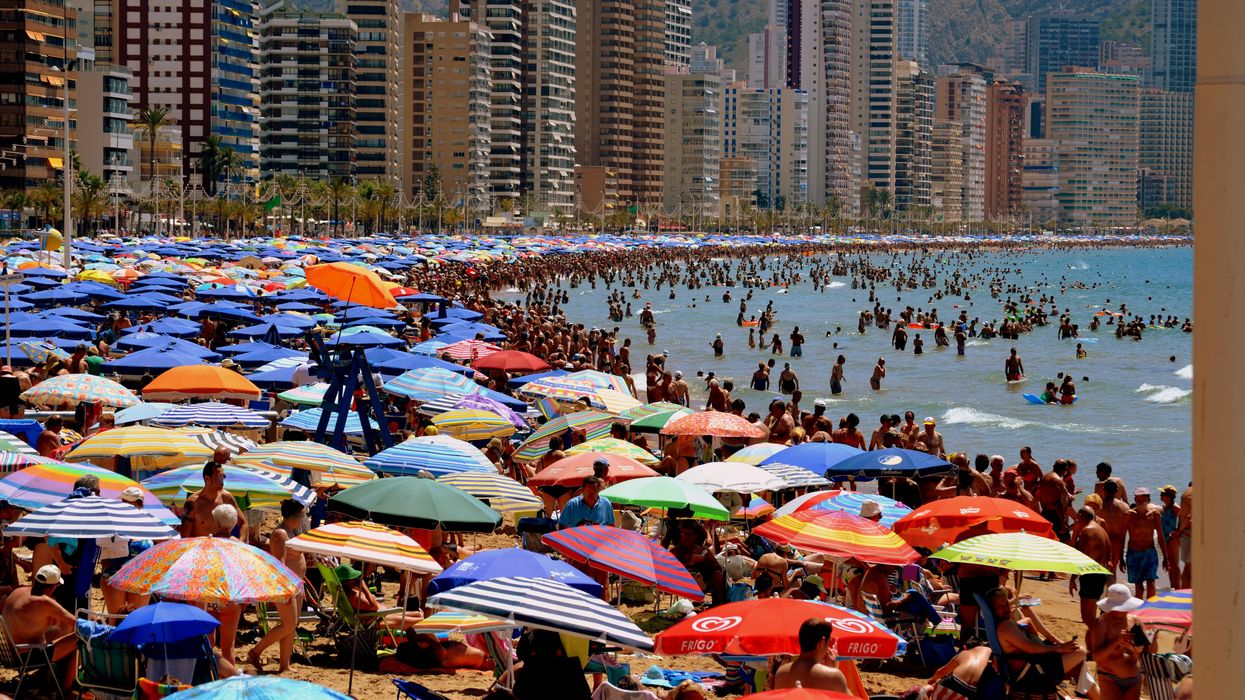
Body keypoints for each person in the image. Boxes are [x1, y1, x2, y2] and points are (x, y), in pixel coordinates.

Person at [984, 586, 1086, 694]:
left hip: (1034, 664)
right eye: (1000, 606)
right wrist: (1059, 648)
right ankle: (1088, 691)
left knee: (1076, 657)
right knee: (1080, 651)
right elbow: (1030, 648)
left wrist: (1047, 640)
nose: (1006, 608)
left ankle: (1089, 692)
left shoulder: (1003, 624)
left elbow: (1027, 622)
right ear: (992, 609)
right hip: (1033, 671)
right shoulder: (1006, 627)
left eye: (1006, 603)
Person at [248, 499, 307, 672]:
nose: (303, 519)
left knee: (291, 625)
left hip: (296, 583)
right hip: (285, 584)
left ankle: (284, 665)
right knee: (288, 624)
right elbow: (279, 564)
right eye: (302, 516)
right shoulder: (280, 533)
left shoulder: (291, 531)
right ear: (294, 516)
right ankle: (255, 651)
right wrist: (286, 588)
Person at [2, 565, 77, 695]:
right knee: (78, 638)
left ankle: (45, 679)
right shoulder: (44, 602)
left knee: (55, 632)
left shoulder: (17, 592)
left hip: (6, 655)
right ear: (53, 587)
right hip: (25, 658)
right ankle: (65, 691)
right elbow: (76, 622)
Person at [1087, 584, 1146, 700]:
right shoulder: (1101, 624)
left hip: (1134, 677)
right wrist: (1117, 641)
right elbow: (1097, 657)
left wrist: (1148, 642)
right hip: (1110, 677)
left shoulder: (1135, 621)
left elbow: (1147, 651)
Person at [100, 487, 153, 614]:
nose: (125, 504)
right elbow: (103, 552)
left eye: (129, 501)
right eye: (124, 501)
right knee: (115, 618)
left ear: (140, 504)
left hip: (141, 577)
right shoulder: (112, 523)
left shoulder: (150, 524)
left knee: (137, 619)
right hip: (114, 575)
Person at [337, 564, 425, 630]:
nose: (357, 578)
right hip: (377, 620)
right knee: (420, 620)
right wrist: (364, 587)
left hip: (381, 615)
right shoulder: (354, 596)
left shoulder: (350, 593)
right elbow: (374, 606)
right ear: (347, 581)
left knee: (418, 614)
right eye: (354, 578)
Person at [772, 618, 850, 693]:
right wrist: (833, 669)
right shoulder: (834, 677)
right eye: (828, 643)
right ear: (822, 643)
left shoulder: (781, 674)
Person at [181, 461, 248, 541]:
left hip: (223, 548)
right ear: (207, 479)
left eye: (223, 476)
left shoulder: (226, 498)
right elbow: (184, 537)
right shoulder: (193, 502)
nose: (222, 479)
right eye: (218, 476)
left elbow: (243, 523)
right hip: (201, 547)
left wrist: (241, 543)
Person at [1070, 506, 1112, 629]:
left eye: (1077, 519)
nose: (1076, 521)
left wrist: (1073, 578)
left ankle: (1098, 635)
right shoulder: (1102, 530)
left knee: (1086, 616)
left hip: (1090, 574)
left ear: (1081, 517)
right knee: (1091, 615)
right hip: (1101, 573)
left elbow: (1081, 557)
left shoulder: (1086, 531)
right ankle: (1097, 634)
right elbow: (1109, 554)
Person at [1125, 487, 1163, 600]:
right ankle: (1139, 608)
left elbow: (1161, 536)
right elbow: (1122, 536)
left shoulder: (1155, 515)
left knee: (1151, 583)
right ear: (1135, 500)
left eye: (1143, 500)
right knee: (1138, 585)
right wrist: (1120, 558)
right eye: (1138, 500)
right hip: (1133, 553)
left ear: (1149, 500)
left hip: (1150, 552)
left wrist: (1166, 557)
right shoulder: (1129, 515)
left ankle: (1151, 608)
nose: (1141, 503)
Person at [1158, 485, 1182, 589]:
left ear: (1169, 496)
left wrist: (1178, 531)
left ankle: (1178, 588)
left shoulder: (1175, 508)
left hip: (1173, 539)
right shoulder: (1163, 508)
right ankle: (1173, 587)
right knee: (1169, 564)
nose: (1160, 495)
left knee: (1175, 564)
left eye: (1162, 494)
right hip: (1164, 538)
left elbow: (1184, 520)